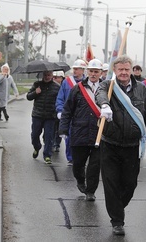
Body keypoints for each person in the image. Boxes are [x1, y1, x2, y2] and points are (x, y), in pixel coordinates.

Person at [95, 55, 146, 236]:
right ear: (114, 70)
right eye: (120, 69)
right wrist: (105, 105)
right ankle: (117, 221)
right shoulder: (108, 86)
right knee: (111, 183)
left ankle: (117, 207)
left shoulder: (142, 90)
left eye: (126, 69)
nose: (123, 73)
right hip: (111, 144)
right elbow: (99, 94)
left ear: (131, 70)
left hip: (132, 146)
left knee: (130, 184)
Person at [59, 59, 103, 201]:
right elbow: (67, 110)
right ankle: (80, 180)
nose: (93, 74)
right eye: (91, 71)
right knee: (78, 164)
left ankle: (91, 191)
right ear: (87, 72)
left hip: (99, 134)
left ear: (101, 73)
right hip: (80, 132)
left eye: (96, 71)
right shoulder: (77, 89)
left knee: (95, 166)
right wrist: (63, 129)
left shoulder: (106, 89)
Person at [56, 59, 87, 165]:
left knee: (82, 138)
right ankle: (71, 158)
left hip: (82, 115)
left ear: (83, 70)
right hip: (69, 115)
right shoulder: (66, 82)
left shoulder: (87, 82)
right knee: (68, 138)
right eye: (74, 68)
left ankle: (80, 157)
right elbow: (60, 98)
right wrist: (60, 110)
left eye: (77, 69)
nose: (75, 71)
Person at [27, 70, 60, 164]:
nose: (47, 77)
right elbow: (28, 97)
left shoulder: (57, 87)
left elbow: (60, 100)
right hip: (37, 115)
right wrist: (35, 93)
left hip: (50, 116)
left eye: (49, 75)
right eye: (45, 75)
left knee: (49, 137)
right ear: (42, 75)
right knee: (34, 135)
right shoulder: (37, 84)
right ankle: (37, 147)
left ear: (52, 75)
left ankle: (47, 155)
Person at [52, 71, 65, 152]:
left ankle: (57, 144)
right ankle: (51, 142)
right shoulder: (52, 86)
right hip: (52, 111)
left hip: (60, 111)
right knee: (52, 128)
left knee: (59, 129)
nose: (56, 79)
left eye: (58, 78)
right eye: (55, 78)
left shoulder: (64, 86)